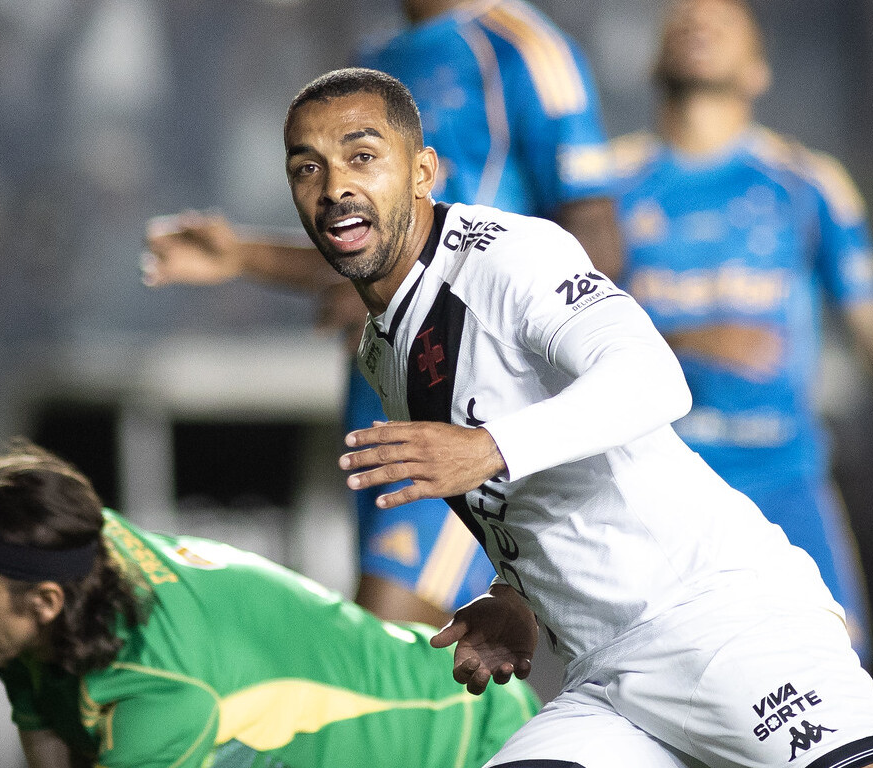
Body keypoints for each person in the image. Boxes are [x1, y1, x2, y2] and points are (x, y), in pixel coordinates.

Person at [282, 65, 873, 767]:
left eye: (362, 156)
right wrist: (514, 593)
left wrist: (486, 448)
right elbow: (522, 487)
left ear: (423, 172)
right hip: (606, 679)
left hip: (721, 622)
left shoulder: (508, 256)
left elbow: (652, 378)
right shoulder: (381, 348)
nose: (335, 187)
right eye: (308, 167)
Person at [143, 0, 621, 629]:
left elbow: (592, 227)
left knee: (381, 646)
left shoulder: (524, 50)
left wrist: (543, 382)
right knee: (435, 678)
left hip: (471, 398)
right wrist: (241, 257)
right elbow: (376, 244)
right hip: (383, 393)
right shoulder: (375, 59)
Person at [0, 441, 540, 768]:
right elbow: (43, 720)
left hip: (471, 745)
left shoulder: (164, 695)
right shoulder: (74, 554)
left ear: (44, 603)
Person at [613, 0, 873, 669]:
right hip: (653, 488)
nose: (697, 24)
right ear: (654, 62)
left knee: (839, 680)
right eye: (680, 20)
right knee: (667, 692)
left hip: (783, 479)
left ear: (759, 69)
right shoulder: (605, 185)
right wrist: (681, 340)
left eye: (723, 22)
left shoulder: (809, 183)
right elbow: (551, 334)